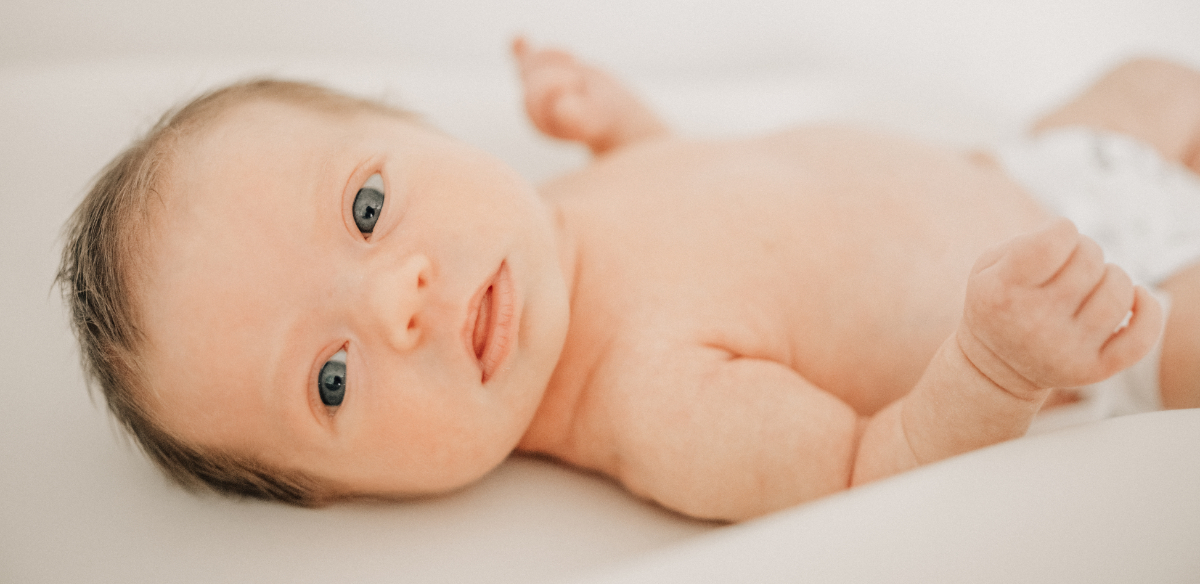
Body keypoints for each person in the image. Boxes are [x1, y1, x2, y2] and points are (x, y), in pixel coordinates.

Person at [57, 42, 1200, 521]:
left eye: (367, 207)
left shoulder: (559, 216)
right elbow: (878, 468)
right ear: (342, 494)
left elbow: (715, 202)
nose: (396, 297)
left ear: (421, 128)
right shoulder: (654, 400)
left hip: (1030, 167)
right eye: (334, 377)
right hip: (1109, 325)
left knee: (1156, 82)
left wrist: (626, 129)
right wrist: (997, 362)